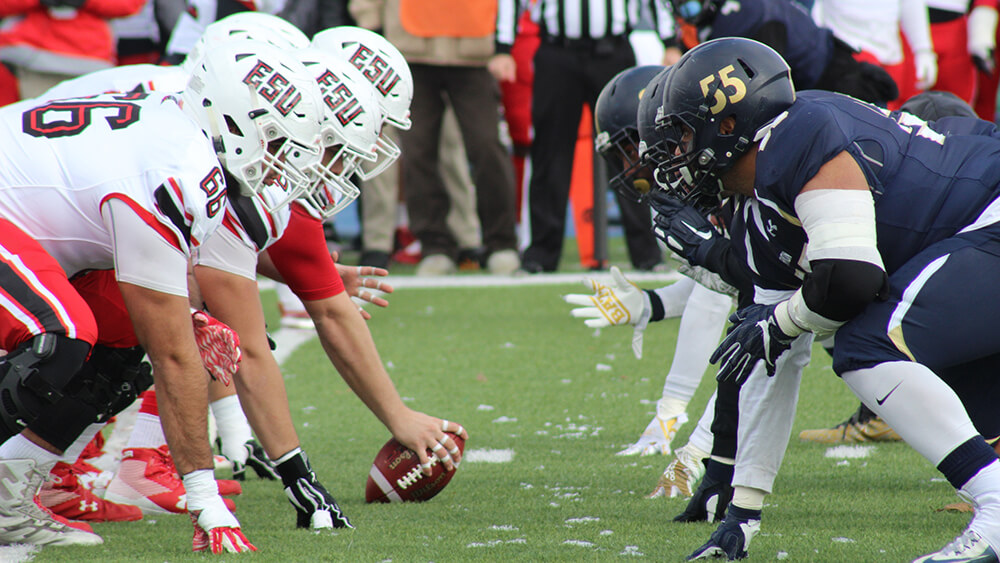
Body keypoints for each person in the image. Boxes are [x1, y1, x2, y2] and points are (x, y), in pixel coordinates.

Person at [650, 36, 1000, 561]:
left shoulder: (798, 134)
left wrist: (782, 322)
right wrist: (743, 513)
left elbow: (853, 279)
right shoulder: (758, 213)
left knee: (866, 345)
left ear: (726, 124)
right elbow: (772, 364)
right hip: (977, 234)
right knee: (921, 368)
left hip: (989, 214)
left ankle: (995, 507)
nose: (674, 155)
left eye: (680, 134)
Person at [0, 37, 327, 551]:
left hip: (30, 226)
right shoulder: (175, 169)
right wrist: (205, 497)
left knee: (128, 345)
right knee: (60, 335)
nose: (279, 161)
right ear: (233, 123)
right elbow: (176, 354)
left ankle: (8, 491)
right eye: (275, 140)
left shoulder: (185, 139)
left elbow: (164, 321)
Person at [494, 0, 678, 273]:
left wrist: (670, 41)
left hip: (613, 51)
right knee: (549, 152)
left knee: (631, 151)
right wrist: (502, 47)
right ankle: (541, 254)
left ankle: (647, 253)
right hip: (557, 52)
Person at [670, 0, 899, 106]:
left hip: (838, 85)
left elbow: (765, 88)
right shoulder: (727, 17)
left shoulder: (748, 17)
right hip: (823, 79)